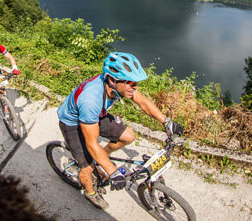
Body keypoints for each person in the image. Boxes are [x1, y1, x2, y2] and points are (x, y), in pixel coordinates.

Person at [57, 52, 184, 209]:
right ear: (112, 80)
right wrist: (113, 171)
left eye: (135, 83)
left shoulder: (118, 86)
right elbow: (91, 143)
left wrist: (167, 123)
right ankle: (91, 193)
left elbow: (143, 102)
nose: (135, 87)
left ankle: (100, 159)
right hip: (73, 123)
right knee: (87, 167)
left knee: (129, 136)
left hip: (96, 115)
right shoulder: (91, 100)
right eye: (130, 83)